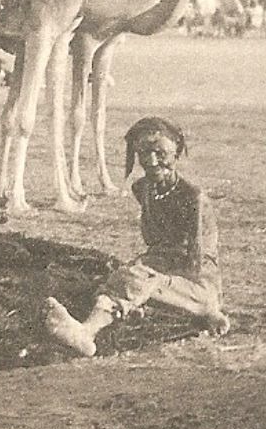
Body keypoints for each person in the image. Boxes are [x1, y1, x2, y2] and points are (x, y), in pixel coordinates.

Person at [45, 117, 229, 356]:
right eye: (144, 153)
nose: (151, 161)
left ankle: (86, 333)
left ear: (177, 152)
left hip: (196, 286)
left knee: (136, 280)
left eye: (160, 153)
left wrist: (156, 282)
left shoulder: (193, 198)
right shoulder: (142, 189)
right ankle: (97, 323)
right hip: (162, 275)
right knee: (121, 277)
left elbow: (195, 264)